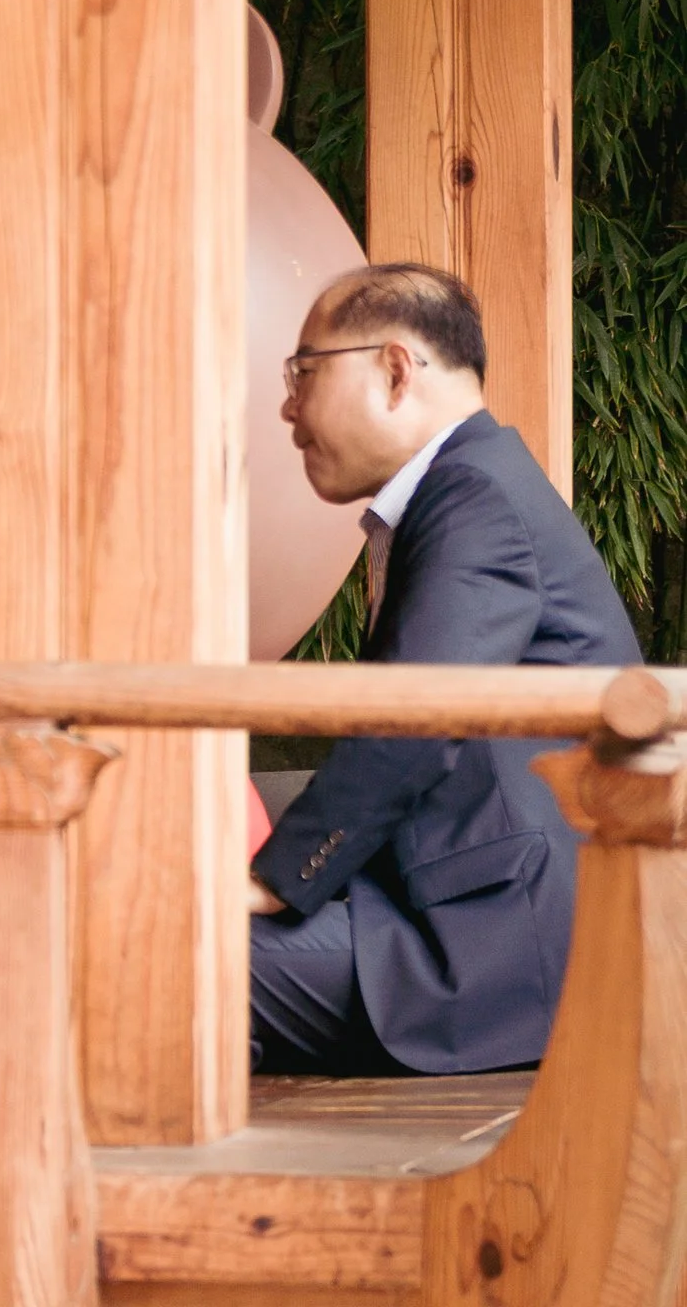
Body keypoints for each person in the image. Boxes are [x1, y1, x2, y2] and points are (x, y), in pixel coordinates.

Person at [251, 263, 641, 1075]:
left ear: (394, 370)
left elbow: (415, 719)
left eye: (305, 372)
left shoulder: (477, 498)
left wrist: (278, 882)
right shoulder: (474, 486)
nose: (288, 406)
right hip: (452, 915)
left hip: (496, 947)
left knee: (173, 957)